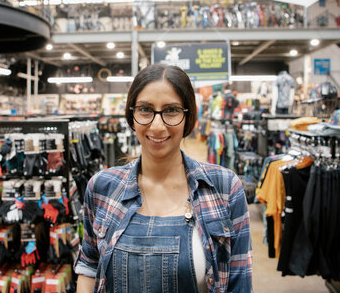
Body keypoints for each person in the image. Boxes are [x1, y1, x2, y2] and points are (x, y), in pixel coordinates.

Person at [75, 63, 253, 293]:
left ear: (188, 116)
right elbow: (89, 267)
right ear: (132, 115)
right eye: (145, 110)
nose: (157, 126)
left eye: (171, 110)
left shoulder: (224, 188)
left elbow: (240, 283)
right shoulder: (101, 187)